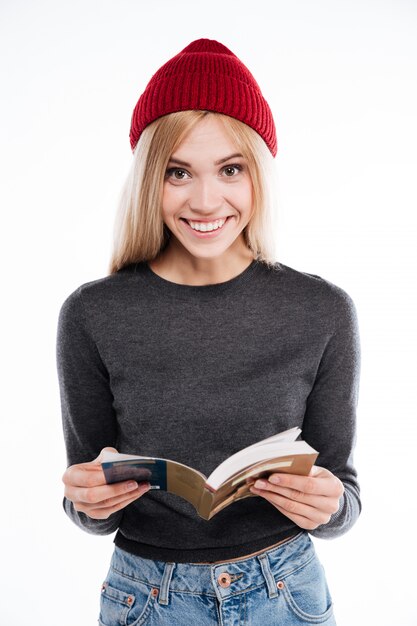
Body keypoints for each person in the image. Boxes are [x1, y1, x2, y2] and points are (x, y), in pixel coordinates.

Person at [57, 38, 361, 626]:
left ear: (259, 175)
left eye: (230, 169)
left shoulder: (321, 310)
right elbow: (90, 499)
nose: (204, 200)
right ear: (150, 178)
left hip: (285, 590)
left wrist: (329, 506)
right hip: (146, 596)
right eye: (177, 171)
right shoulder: (93, 314)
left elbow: (344, 496)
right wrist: (86, 501)